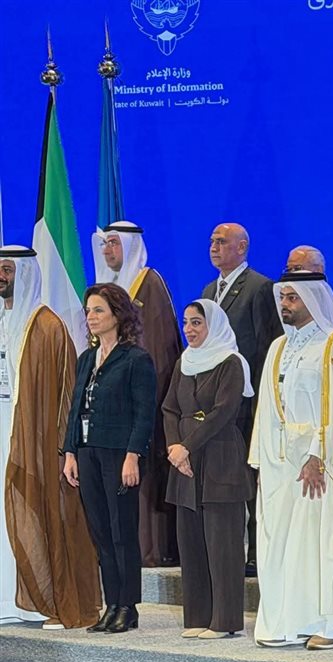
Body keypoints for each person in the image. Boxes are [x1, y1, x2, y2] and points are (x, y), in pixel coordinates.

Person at [249, 272, 333, 650]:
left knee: (325, 544)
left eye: (293, 298)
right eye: (283, 297)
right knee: (285, 544)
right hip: (282, 464)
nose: (285, 305)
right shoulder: (278, 347)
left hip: (323, 464)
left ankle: (332, 624)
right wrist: (261, 460)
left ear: (313, 299)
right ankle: (288, 622)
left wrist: (319, 454)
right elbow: (266, 408)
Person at [0, 247, 100, 629]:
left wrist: (62, 447)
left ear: (25, 274)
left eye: (7, 270)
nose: (1, 277)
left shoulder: (47, 326)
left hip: (36, 440)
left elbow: (66, 396)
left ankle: (49, 601)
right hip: (4, 432)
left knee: (44, 514)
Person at [63, 283, 157, 634]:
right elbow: (75, 407)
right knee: (101, 532)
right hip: (88, 452)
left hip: (119, 454)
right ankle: (111, 604)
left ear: (117, 315)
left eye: (99, 310)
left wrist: (133, 456)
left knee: (121, 531)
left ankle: (127, 606)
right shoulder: (86, 359)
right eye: (88, 311)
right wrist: (70, 451)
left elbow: (144, 414)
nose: (91, 316)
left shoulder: (135, 359)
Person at [162, 300, 255, 639]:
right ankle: (198, 617)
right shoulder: (184, 362)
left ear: (212, 325)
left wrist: (186, 446)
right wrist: (174, 448)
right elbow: (170, 409)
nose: (189, 329)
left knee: (222, 543)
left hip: (219, 456)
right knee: (191, 541)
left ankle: (224, 621)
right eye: (186, 323)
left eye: (197, 323)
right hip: (184, 461)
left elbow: (223, 412)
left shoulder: (231, 362)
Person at [92, 220, 182, 567]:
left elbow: (159, 347)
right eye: (105, 244)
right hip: (109, 403)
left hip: (143, 397)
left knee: (143, 472)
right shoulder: (107, 289)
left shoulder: (148, 283)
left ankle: (150, 549)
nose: (108, 250)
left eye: (115, 243)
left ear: (130, 246)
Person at [200, 222, 281, 577]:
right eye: (212, 241)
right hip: (215, 400)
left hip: (247, 399)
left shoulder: (260, 288)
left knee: (249, 476)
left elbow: (266, 347)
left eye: (221, 241)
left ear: (242, 247)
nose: (214, 247)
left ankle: (255, 551)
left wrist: (262, 398)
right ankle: (223, 546)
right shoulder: (209, 290)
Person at [285, 245, 333, 337]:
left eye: (297, 269)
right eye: (289, 270)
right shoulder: (282, 307)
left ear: (318, 270)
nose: (291, 275)